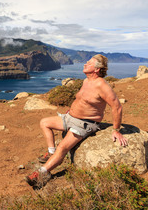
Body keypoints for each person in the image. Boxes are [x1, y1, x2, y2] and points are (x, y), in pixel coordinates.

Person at [25, 54, 128, 188]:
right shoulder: (86, 81)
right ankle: (51, 153)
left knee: (62, 147)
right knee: (44, 122)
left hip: (84, 124)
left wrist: (116, 130)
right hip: (70, 118)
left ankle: (41, 173)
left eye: (89, 63)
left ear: (97, 69)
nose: (85, 64)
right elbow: (82, 100)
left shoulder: (102, 85)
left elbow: (117, 107)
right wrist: (71, 111)